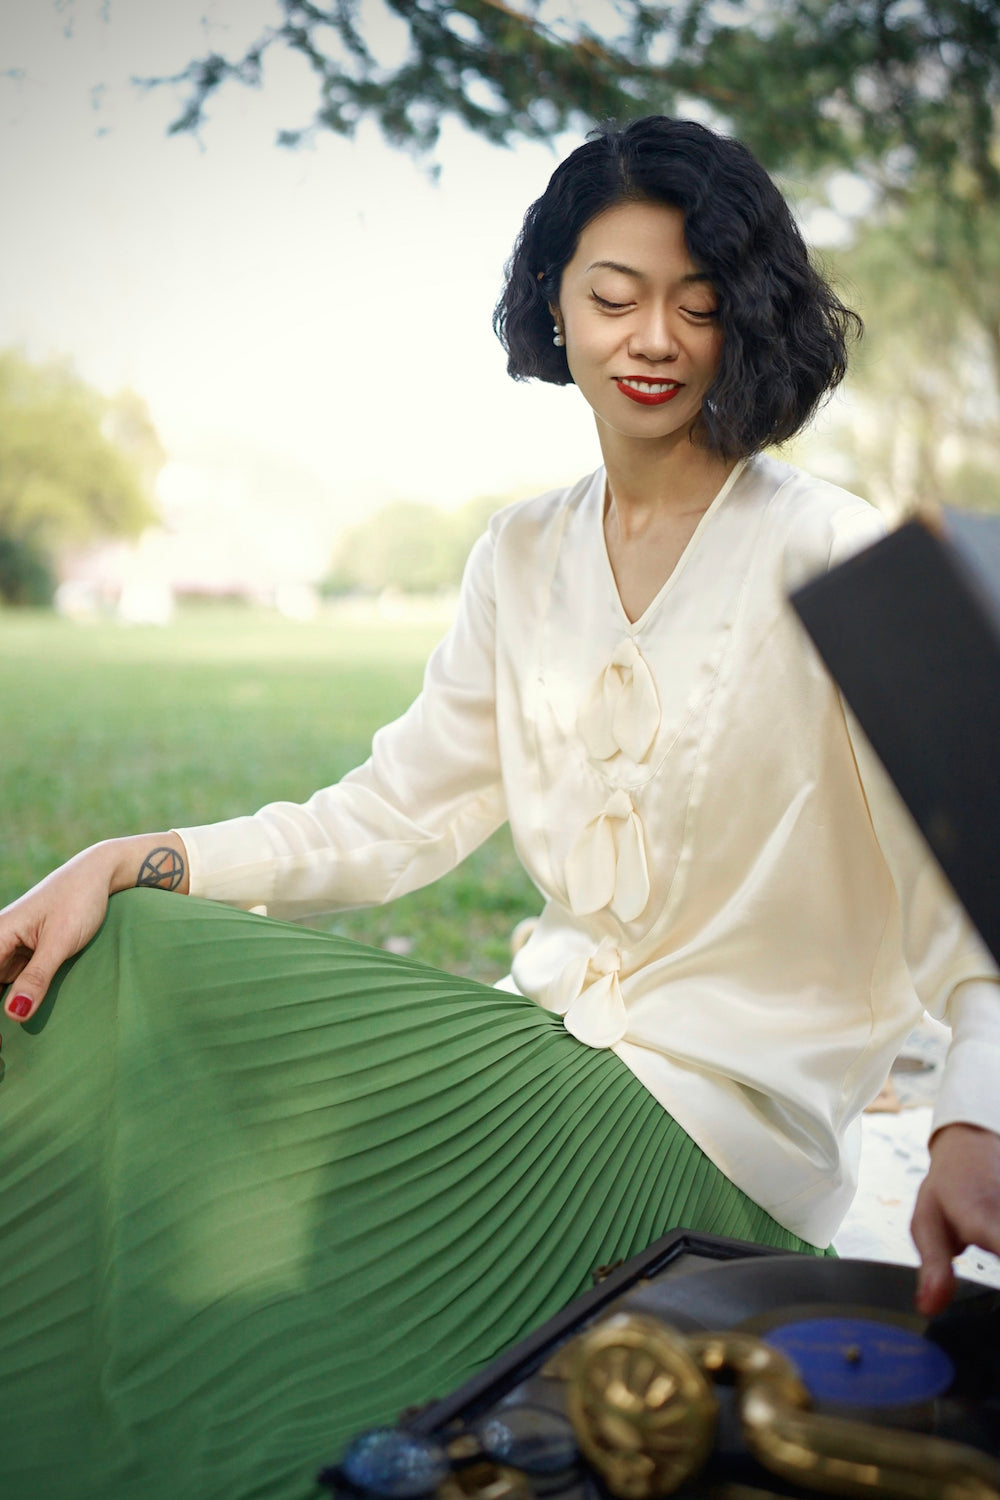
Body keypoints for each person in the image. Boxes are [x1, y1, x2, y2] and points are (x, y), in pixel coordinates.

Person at [2, 115, 1000, 1500]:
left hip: (713, 1138)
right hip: (537, 1059)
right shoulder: (520, 551)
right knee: (127, 961)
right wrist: (136, 855)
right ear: (555, 307)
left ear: (746, 322)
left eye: (699, 304)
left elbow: (972, 892)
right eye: (613, 296)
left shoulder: (826, 549)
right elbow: (389, 817)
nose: (652, 337)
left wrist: (971, 1122)